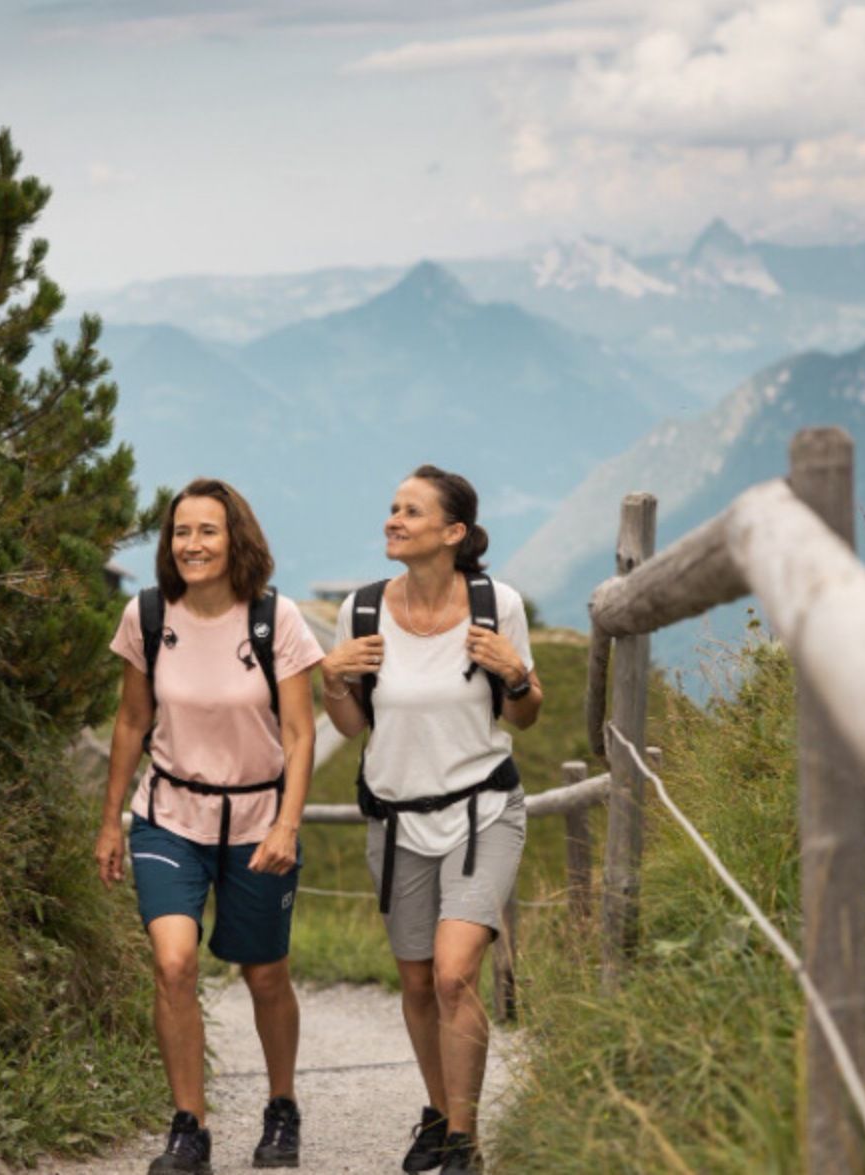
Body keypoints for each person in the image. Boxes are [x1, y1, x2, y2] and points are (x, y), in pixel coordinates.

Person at [96, 479, 322, 1174]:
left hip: (257, 817)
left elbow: (299, 730)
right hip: (168, 817)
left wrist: (287, 823)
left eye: (207, 531)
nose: (191, 544)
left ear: (235, 539)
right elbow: (133, 721)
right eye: (180, 532)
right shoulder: (147, 614)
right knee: (173, 962)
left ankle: (280, 1106)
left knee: (263, 974)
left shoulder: (273, 619)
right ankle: (188, 1125)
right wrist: (110, 821)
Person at [321, 465, 542, 1174]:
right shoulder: (359, 611)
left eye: (410, 511)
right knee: (416, 982)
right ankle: (440, 1112)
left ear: (453, 532)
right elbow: (353, 724)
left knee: (452, 976)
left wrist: (516, 672)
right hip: (394, 818)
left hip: (482, 810)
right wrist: (331, 681)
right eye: (391, 507)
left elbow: (525, 714)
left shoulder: (493, 602)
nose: (393, 519)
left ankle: (463, 1142)